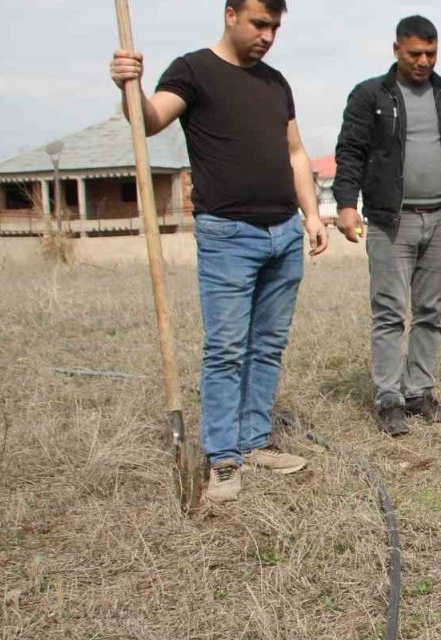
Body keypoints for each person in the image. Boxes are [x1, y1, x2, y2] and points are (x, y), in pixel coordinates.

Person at [109, 0, 327, 503]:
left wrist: (312, 215)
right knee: (227, 349)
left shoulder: (275, 83)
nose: (267, 35)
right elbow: (149, 120)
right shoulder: (194, 71)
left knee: (267, 347)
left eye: (274, 26)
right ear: (230, 15)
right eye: (258, 23)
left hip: (283, 233)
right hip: (229, 235)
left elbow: (295, 151)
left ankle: (254, 443)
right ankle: (223, 459)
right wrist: (129, 85)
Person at [332, 15, 441, 435]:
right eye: (415, 53)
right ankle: (389, 398)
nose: (423, 61)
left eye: (431, 54)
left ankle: (418, 391)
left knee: (430, 311)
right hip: (390, 222)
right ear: (397, 50)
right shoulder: (370, 95)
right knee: (389, 312)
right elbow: (349, 151)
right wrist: (346, 205)